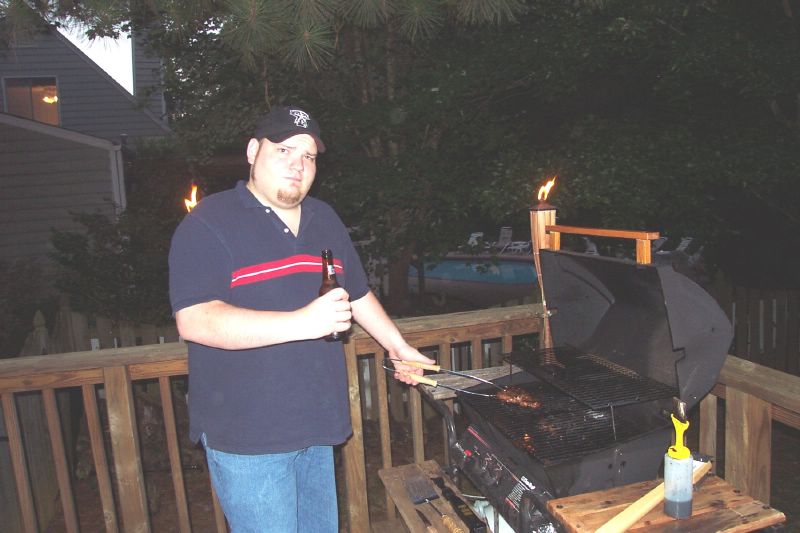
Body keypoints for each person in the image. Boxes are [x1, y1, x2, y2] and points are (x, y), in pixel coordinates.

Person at [168, 105, 434, 533]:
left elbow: (358, 292)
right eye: (285, 150)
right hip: (248, 436)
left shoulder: (324, 217)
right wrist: (301, 322)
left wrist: (397, 346)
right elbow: (195, 320)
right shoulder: (208, 222)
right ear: (254, 151)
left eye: (308, 156)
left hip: (316, 425)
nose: (298, 165)